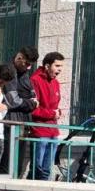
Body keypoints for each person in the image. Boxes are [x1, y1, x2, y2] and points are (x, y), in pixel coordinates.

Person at [0, 46, 39, 175]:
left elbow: (33, 95)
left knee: (18, 166)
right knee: (7, 165)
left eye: (31, 65)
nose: (29, 68)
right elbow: (13, 101)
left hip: (22, 124)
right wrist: (30, 103)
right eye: (27, 64)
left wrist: (29, 102)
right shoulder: (9, 71)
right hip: (10, 124)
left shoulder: (24, 73)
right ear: (19, 58)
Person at [29, 52, 65, 181]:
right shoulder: (35, 80)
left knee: (46, 170)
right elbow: (33, 109)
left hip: (53, 131)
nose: (60, 69)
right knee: (37, 169)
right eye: (57, 66)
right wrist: (52, 113)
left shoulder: (56, 83)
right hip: (40, 131)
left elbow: (54, 106)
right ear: (47, 66)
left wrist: (58, 112)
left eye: (61, 66)